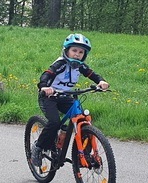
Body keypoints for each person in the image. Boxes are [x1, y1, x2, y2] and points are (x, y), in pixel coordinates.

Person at [30, 33, 110, 168]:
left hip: (65, 96)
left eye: (81, 52)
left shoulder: (80, 66)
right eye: (74, 50)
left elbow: (91, 74)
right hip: (49, 97)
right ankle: (38, 148)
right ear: (66, 51)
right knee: (54, 122)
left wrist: (101, 81)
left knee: (83, 119)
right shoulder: (60, 63)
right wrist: (44, 87)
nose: (77, 54)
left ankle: (83, 155)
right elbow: (47, 74)